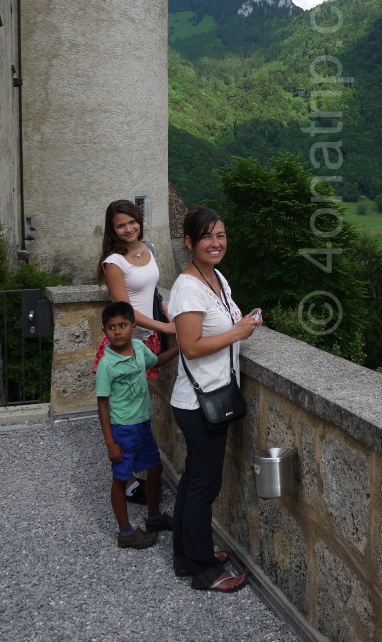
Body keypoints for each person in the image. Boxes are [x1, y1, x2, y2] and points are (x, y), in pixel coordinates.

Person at [169, 205, 262, 592]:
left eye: (220, 235)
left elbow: (220, 325)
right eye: (206, 236)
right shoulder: (188, 286)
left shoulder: (216, 278)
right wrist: (238, 333)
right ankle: (205, 570)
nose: (215, 242)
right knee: (204, 486)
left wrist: (243, 325)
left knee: (194, 481)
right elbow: (189, 346)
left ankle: (184, 557)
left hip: (210, 395)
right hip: (198, 402)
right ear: (189, 242)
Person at [94, 199, 174, 503]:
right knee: (120, 409)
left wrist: (168, 312)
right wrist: (166, 328)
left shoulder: (148, 249)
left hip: (146, 339)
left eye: (131, 222)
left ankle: (136, 467)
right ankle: (125, 481)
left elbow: (152, 291)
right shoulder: (115, 262)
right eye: (120, 225)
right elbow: (125, 309)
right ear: (112, 230)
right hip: (125, 342)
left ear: (139, 220)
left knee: (137, 405)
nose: (128, 229)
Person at [96, 301, 179, 548]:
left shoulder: (140, 349)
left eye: (122, 325)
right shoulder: (106, 365)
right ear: (105, 331)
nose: (118, 331)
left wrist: (180, 349)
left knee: (155, 469)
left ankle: (153, 517)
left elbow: (156, 361)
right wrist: (110, 442)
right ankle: (125, 532)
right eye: (111, 327)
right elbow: (102, 405)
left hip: (142, 423)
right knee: (121, 479)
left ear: (133, 327)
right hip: (122, 428)